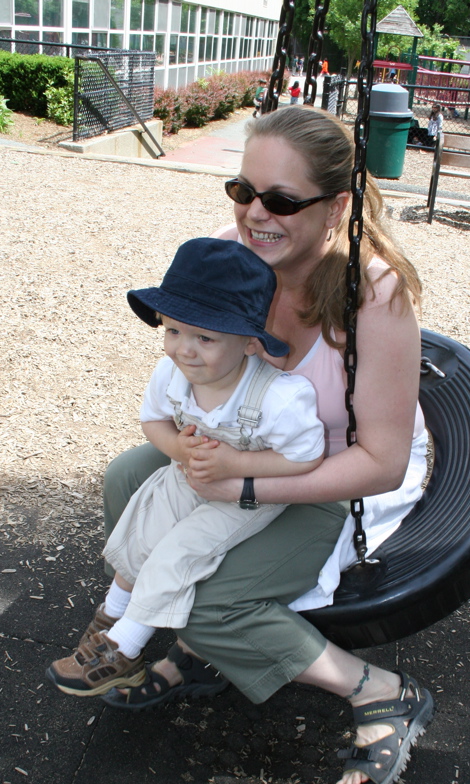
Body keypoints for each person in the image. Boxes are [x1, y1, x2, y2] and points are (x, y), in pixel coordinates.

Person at [101, 106, 434, 784]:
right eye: (243, 190)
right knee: (132, 478)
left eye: (281, 200)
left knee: (212, 601)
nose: (256, 214)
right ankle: (204, 647)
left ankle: (382, 691)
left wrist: (242, 483)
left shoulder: (373, 297)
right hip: (250, 453)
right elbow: (198, 368)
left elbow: (382, 462)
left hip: (337, 475)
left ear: (337, 205)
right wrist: (192, 442)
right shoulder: (232, 252)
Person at [47, 237, 325, 698]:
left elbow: (305, 457)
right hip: (190, 475)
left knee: (179, 553)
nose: (184, 350)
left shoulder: (280, 398)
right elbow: (152, 421)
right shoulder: (171, 374)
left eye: (205, 337)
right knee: (144, 528)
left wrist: (234, 463)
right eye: (173, 330)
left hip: (247, 494)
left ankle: (125, 649)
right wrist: (178, 447)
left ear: (250, 343)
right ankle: (111, 614)